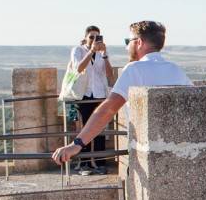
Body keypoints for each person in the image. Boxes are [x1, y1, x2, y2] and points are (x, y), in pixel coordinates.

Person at [51, 20, 190, 167]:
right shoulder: (176, 70)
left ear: (139, 42)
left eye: (128, 41)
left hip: (146, 154)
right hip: (178, 154)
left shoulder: (134, 69)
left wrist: (76, 144)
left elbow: (109, 108)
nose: (126, 47)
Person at [68, 25, 118, 174]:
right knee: (84, 129)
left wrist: (104, 55)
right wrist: (91, 51)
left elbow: (109, 74)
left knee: (100, 129)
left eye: (98, 37)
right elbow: (78, 68)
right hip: (84, 95)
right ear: (85, 38)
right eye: (91, 37)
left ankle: (100, 162)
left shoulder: (103, 53)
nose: (95, 40)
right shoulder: (78, 50)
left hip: (100, 94)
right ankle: (84, 164)